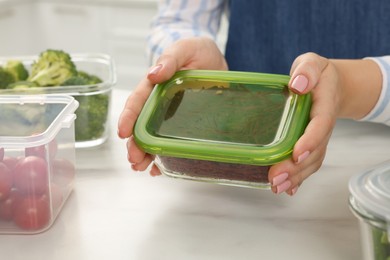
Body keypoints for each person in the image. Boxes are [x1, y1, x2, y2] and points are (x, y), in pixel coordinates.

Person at [118, 0, 390, 195]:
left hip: (379, 170)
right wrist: (186, 70)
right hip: (231, 146)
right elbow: (180, 19)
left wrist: (347, 86)